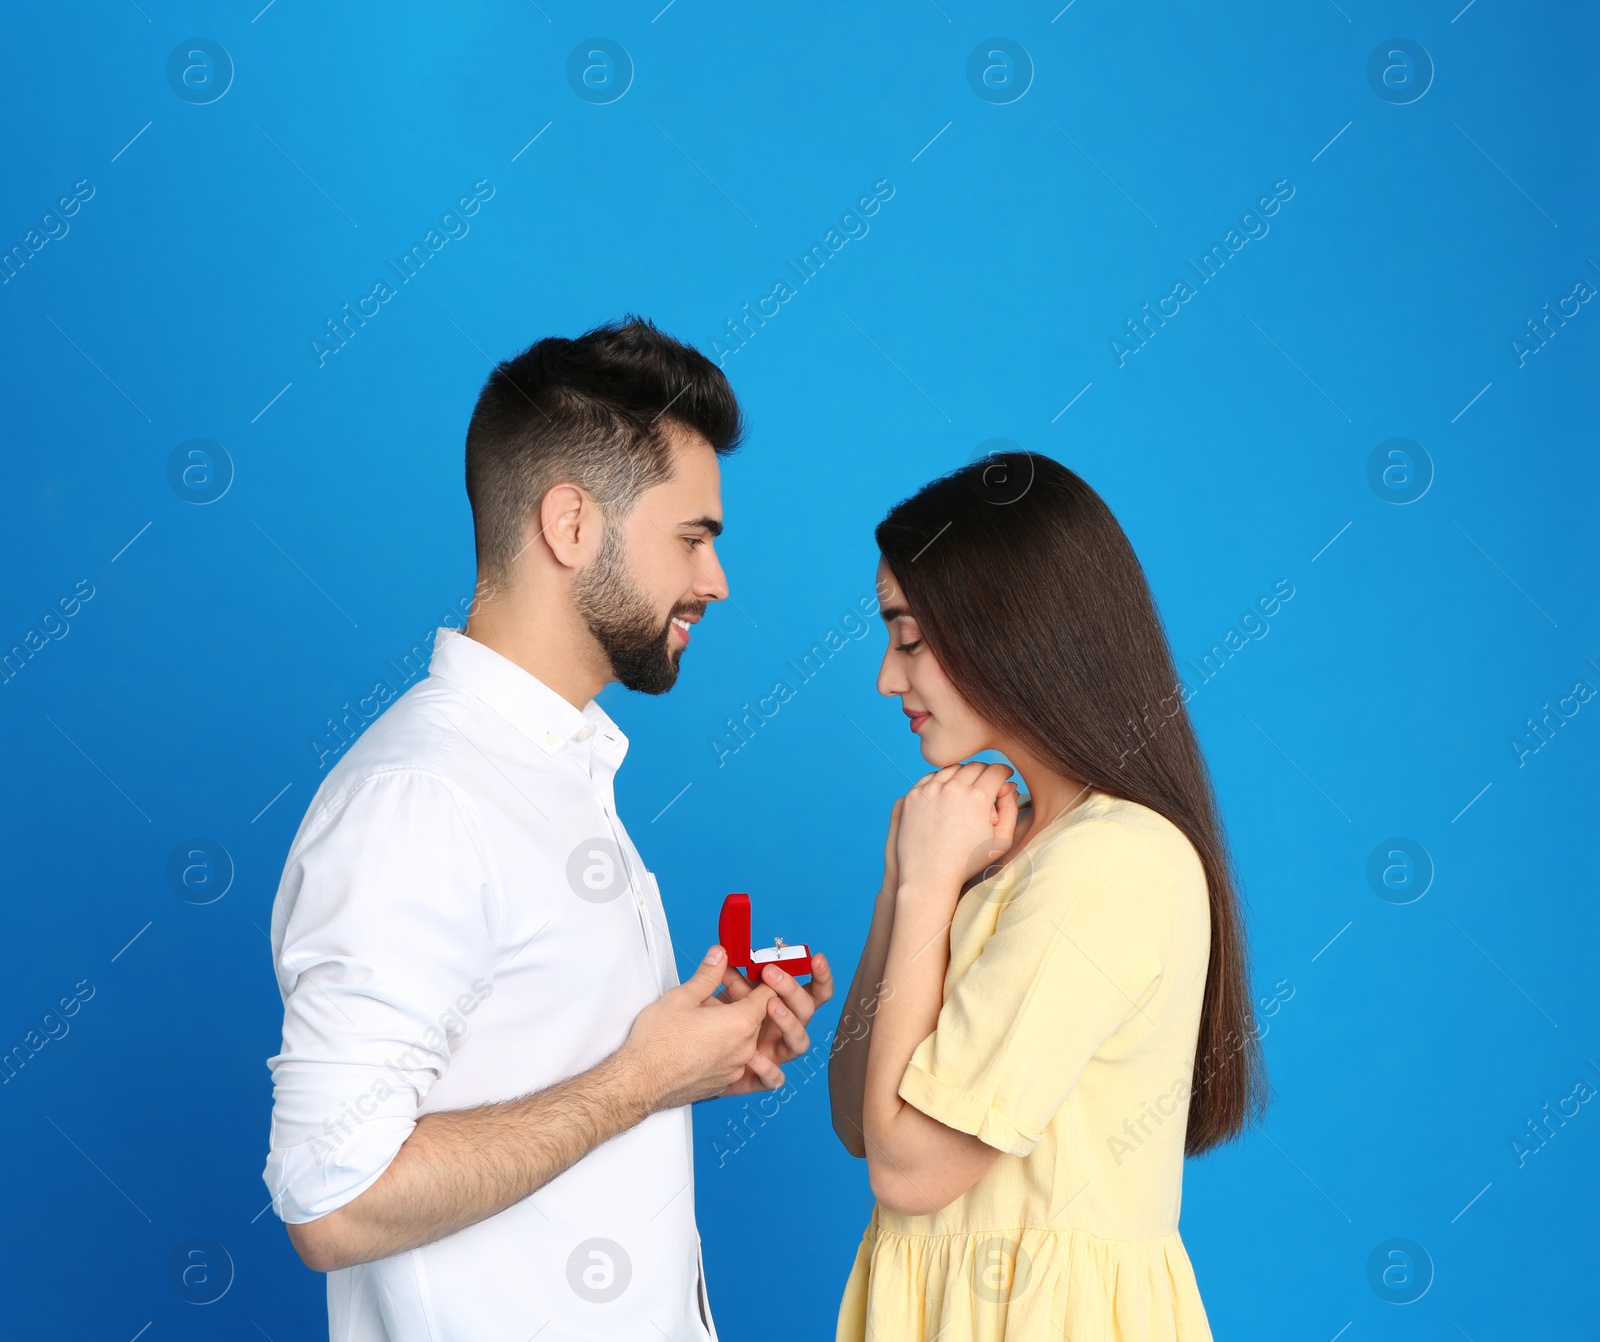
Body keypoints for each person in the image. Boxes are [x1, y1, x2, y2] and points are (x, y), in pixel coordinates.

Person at [261, 317, 833, 1341]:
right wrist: (640, 1079)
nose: (717, 582)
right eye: (692, 538)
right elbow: (331, 1199)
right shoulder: (421, 800)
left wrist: (695, 1052)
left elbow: (556, 1074)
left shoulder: (560, 775)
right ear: (571, 526)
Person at [828, 451, 1266, 1340]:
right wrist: (908, 880)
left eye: (908, 637)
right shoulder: (1004, 848)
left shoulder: (1112, 863)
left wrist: (926, 888)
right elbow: (860, 1120)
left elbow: (909, 1171)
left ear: (1009, 628)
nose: (886, 676)